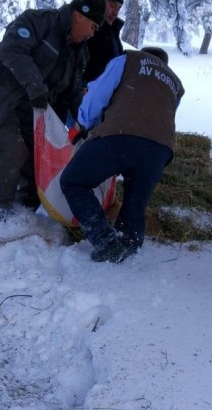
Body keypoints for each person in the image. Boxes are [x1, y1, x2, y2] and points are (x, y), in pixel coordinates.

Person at [0, 0, 106, 222]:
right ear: (79, 15)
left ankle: (23, 213)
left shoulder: (79, 53)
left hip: (32, 115)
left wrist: (85, 124)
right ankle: (0, 212)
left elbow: (72, 94)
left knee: (40, 163)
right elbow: (13, 50)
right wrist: (36, 87)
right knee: (14, 150)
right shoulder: (39, 22)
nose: (92, 34)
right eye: (93, 26)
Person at [60, 47, 184, 263]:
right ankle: (129, 246)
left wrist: (82, 124)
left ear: (145, 54)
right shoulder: (175, 83)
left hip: (121, 136)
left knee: (73, 181)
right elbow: (162, 112)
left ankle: (105, 240)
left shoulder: (129, 59)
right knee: (136, 199)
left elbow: (99, 93)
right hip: (160, 148)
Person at [82, 0, 124, 84]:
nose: (115, 13)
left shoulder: (113, 30)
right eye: (112, 6)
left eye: (118, 9)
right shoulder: (84, 26)